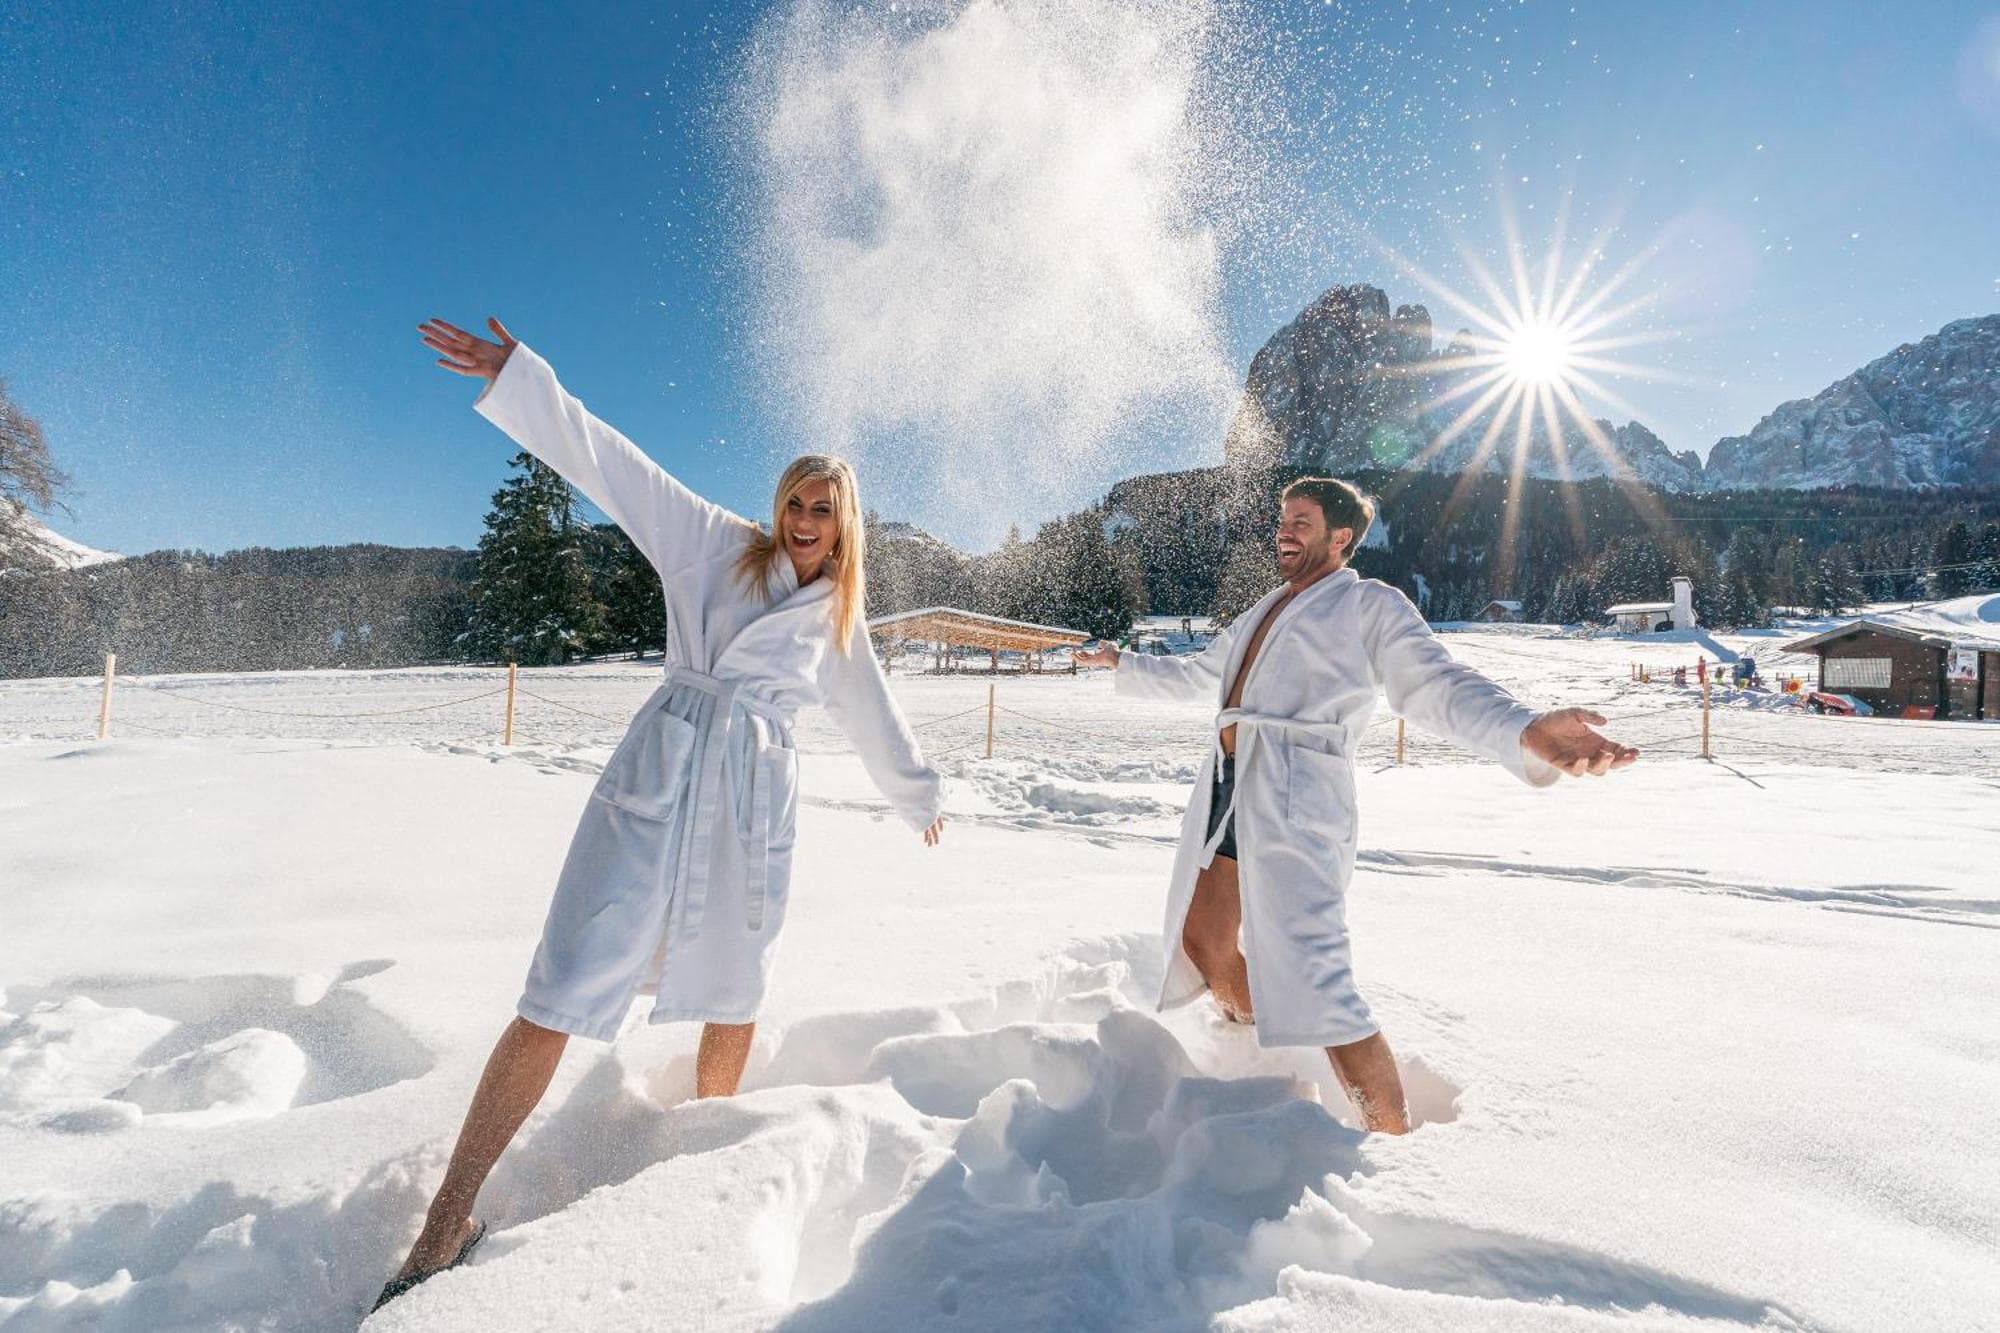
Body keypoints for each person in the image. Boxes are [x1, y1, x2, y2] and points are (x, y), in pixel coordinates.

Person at [377, 317, 946, 1310]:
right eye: (795, 500)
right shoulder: (714, 545)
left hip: (750, 801)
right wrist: (524, 382)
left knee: (733, 981)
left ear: (847, 522)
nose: (805, 518)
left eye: (823, 508)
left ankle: (698, 1180)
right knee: (560, 985)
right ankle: (443, 1221)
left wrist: (918, 793)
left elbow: (872, 713)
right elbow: (616, 466)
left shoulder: (837, 618)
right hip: (663, 771)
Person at [1075, 477, 1636, 1134]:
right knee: (1205, 942)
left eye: (1302, 522)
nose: (1284, 532)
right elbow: (1200, 674)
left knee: (1319, 982)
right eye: (1283, 519)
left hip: (1297, 793)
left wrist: (1522, 727)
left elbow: (1435, 682)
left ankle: (1391, 1139)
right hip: (1231, 790)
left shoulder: (1369, 605)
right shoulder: (1264, 610)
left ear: (1341, 537)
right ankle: (1262, 1056)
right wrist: (1122, 663)